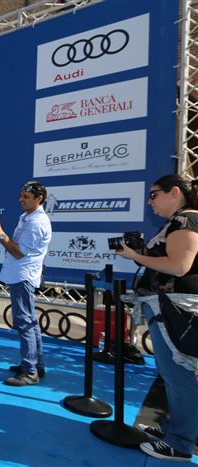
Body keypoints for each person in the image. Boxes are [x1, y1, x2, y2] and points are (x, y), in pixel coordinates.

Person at [115, 174, 198, 462]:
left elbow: (178, 266)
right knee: (172, 373)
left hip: (175, 308)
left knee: (178, 374)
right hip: (168, 306)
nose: (150, 201)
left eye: (154, 194)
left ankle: (180, 443)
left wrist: (134, 256)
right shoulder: (178, 221)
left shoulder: (185, 220)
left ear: (174, 192)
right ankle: (176, 430)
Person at [0, 181, 52, 386]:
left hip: (23, 276)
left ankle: (30, 371)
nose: (21, 200)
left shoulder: (37, 222)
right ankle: (36, 365)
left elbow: (17, 252)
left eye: (26, 197)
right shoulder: (27, 217)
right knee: (30, 320)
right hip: (20, 274)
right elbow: (12, 246)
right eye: (21, 196)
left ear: (39, 199)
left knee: (24, 322)